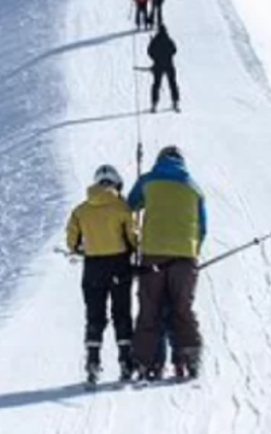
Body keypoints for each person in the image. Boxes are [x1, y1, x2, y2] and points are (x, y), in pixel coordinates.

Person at [127, 146, 206, 380]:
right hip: (185, 257)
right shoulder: (194, 187)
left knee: (150, 308)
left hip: (153, 254)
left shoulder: (148, 180)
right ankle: (188, 358)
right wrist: (192, 253)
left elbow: (130, 206)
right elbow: (203, 228)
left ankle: (147, 363)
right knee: (182, 308)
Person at [66, 164, 138, 382]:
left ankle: (93, 361)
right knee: (121, 314)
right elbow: (133, 239)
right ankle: (126, 361)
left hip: (93, 267)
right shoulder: (122, 208)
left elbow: (72, 242)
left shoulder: (80, 211)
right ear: (116, 184)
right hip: (119, 266)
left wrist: (82, 249)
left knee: (95, 315)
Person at [147, 24, 179, 113]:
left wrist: (155, 58)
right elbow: (174, 50)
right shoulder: (169, 40)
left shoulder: (155, 40)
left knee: (156, 85)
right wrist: (168, 56)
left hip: (158, 66)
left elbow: (149, 51)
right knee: (172, 83)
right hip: (169, 65)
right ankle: (175, 101)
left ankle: (154, 104)